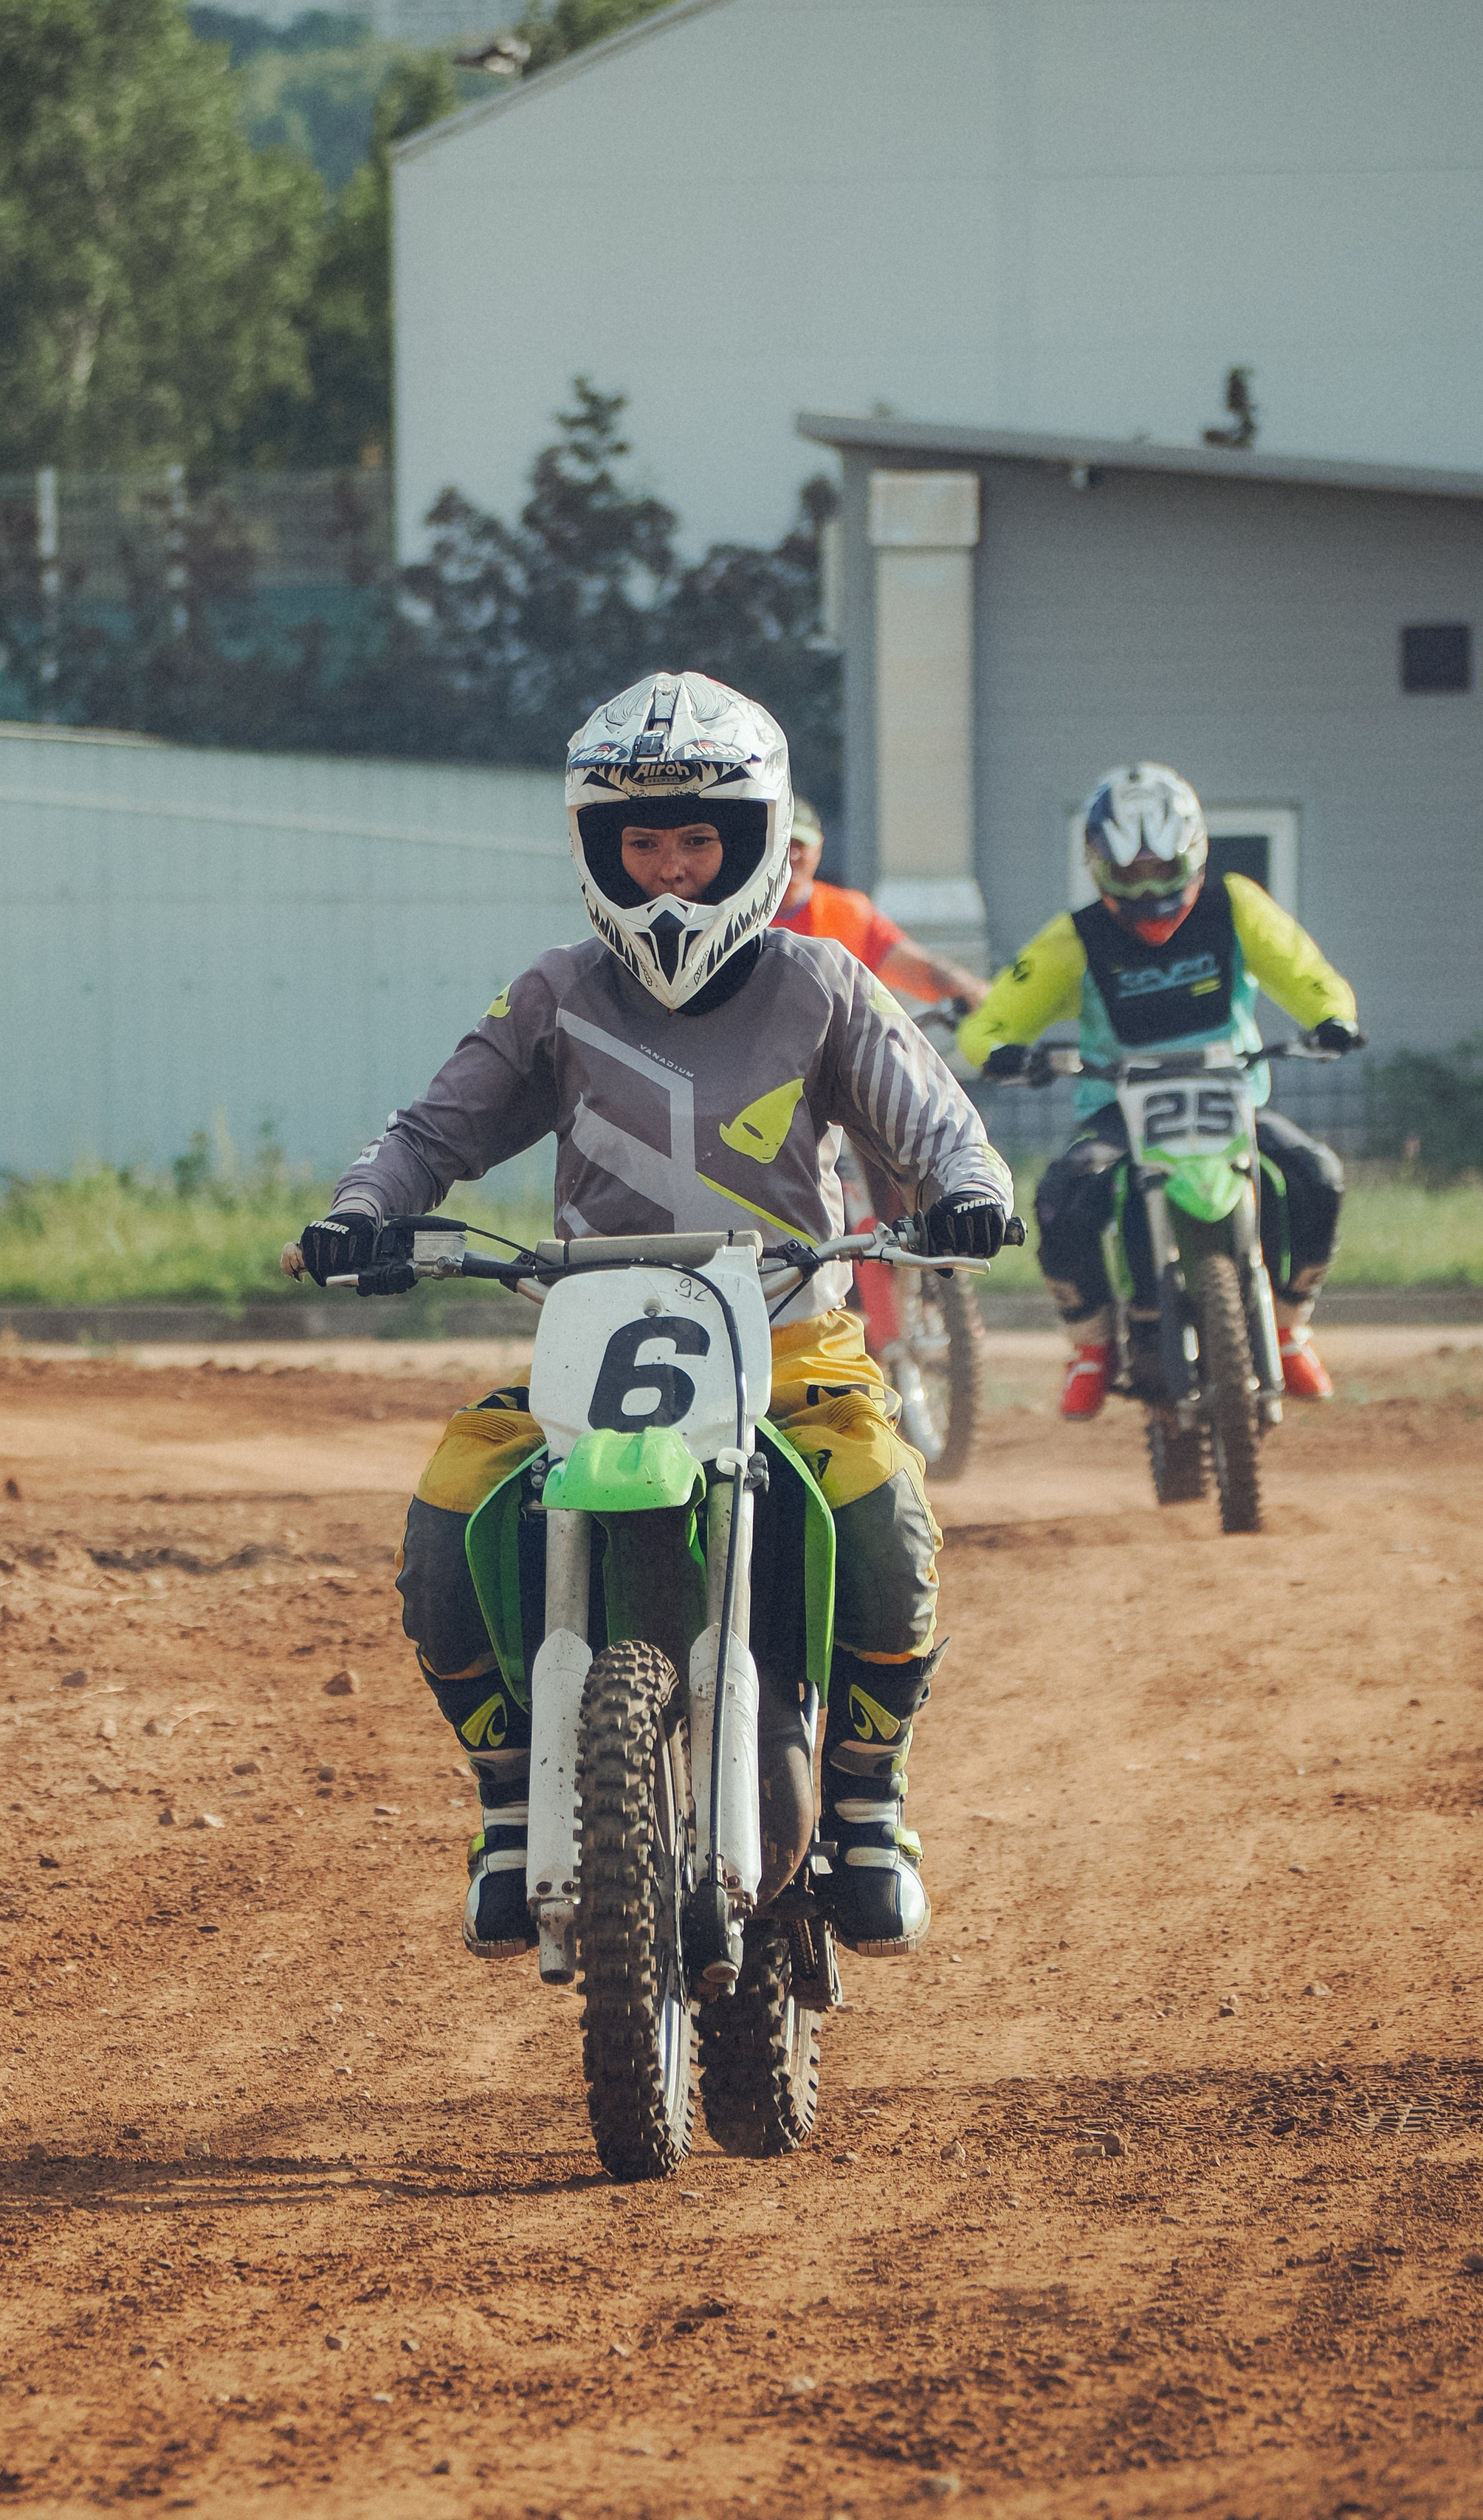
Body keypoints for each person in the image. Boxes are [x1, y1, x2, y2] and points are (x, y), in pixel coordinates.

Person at [284, 670, 1013, 1966]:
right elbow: (428, 1133)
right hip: (592, 1359)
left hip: (796, 1348)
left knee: (888, 1517)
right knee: (450, 1517)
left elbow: (937, 1122)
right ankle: (511, 1803)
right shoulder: (554, 996)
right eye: (643, 842)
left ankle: (867, 1799)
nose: (671, 870)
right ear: (598, 850)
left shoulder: (824, 986)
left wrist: (967, 1193)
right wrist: (363, 1209)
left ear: (755, 845)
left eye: (697, 840)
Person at [956, 763, 1360, 1418]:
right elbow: (991, 1021)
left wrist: (1333, 1020)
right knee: (1059, 1197)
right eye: (1128, 874)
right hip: (1119, 1103)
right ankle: (1090, 1346)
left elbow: (1305, 971)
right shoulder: (1076, 936)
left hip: (1231, 1096)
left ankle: (1288, 1327)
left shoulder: (1236, 905)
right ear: (1096, 864)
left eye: (1162, 868)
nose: (1149, 890)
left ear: (1194, 851)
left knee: (1318, 1175)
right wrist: (1003, 1053)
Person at [774, 796, 991, 1012]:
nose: (793, 854)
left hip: (831, 1040)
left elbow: (915, 968)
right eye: (785, 844)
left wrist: (971, 991)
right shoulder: (745, 911)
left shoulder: (848, 911)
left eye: (801, 844)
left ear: (819, 847)